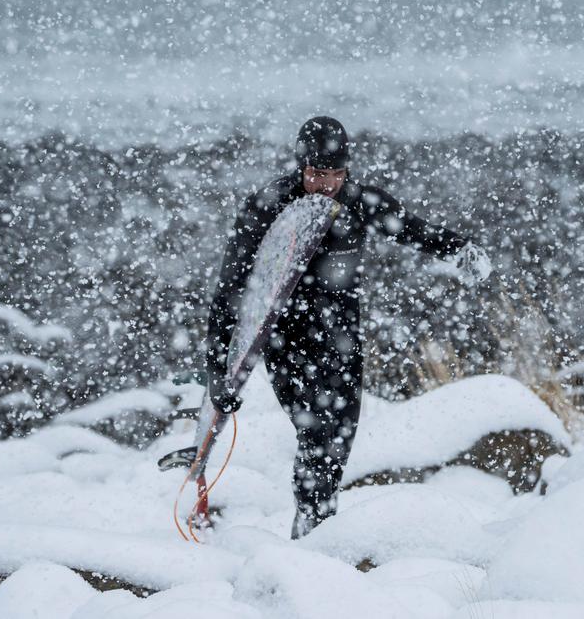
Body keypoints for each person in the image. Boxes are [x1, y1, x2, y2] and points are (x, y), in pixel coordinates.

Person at [205, 116, 490, 538]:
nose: (327, 184)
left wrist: (458, 250)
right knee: (315, 432)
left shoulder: (357, 201)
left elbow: (410, 228)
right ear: (302, 167)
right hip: (286, 341)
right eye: (318, 174)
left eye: (336, 174)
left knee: (339, 437)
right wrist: (218, 371)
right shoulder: (268, 207)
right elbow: (231, 289)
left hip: (342, 339)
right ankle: (312, 524)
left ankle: (318, 522)